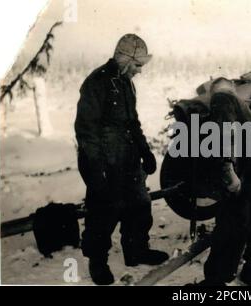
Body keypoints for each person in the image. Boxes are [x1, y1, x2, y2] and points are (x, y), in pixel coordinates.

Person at [75, 34, 169, 285]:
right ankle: (98, 261)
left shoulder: (126, 83)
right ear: (125, 59)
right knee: (103, 212)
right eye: (138, 65)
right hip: (105, 161)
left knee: (140, 204)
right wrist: (96, 169)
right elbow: (86, 131)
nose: (140, 71)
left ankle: (136, 250)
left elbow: (132, 122)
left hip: (128, 157)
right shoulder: (96, 83)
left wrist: (145, 151)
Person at [192, 79, 251, 286]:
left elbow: (226, 132)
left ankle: (217, 279)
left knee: (232, 218)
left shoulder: (222, 98)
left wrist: (227, 169)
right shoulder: (241, 105)